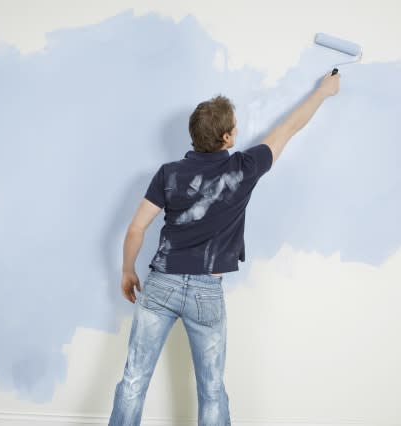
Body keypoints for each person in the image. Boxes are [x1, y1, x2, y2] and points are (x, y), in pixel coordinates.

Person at [109, 69, 341, 425]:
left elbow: (136, 227)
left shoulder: (168, 173)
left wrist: (127, 270)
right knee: (212, 389)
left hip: (160, 285)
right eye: (235, 126)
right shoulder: (244, 168)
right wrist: (323, 92)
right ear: (228, 136)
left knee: (134, 380)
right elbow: (290, 127)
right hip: (206, 291)